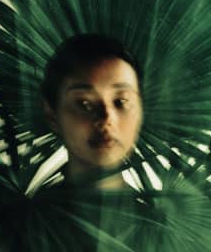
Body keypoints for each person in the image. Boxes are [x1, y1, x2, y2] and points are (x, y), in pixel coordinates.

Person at [42, 33, 144, 190]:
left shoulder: (160, 214)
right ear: (52, 115)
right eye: (85, 103)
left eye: (121, 102)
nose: (107, 117)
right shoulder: (24, 214)